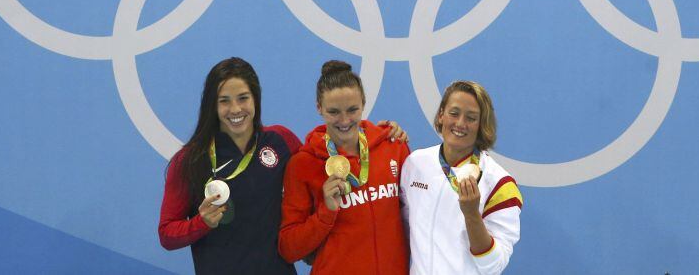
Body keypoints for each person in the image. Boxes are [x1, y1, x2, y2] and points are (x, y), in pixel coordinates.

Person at [158, 57, 405, 274]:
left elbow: (323, 155)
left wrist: (379, 135)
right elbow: (167, 234)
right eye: (224, 101)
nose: (236, 109)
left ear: (255, 98)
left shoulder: (280, 141)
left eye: (243, 98)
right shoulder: (190, 161)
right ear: (212, 105)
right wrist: (200, 223)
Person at [278, 60, 411, 275]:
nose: (345, 120)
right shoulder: (302, 164)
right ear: (319, 107)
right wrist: (325, 213)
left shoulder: (393, 147)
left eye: (352, 110)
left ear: (364, 103)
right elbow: (289, 249)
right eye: (333, 112)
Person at [400, 81, 523, 275]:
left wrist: (471, 214)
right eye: (454, 113)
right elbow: (404, 231)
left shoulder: (500, 184)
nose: (460, 124)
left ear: (482, 125)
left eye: (471, 118)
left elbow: (493, 265)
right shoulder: (415, 164)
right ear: (441, 115)